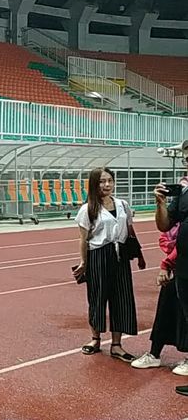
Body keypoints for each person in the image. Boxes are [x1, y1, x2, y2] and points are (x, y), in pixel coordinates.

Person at [74, 167, 143, 362]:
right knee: (97, 296)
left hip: (120, 254)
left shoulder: (122, 204)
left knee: (121, 297)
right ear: (94, 184)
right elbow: (83, 239)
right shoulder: (88, 208)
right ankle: (95, 339)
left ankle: (117, 345)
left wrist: (139, 254)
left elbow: (130, 229)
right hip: (98, 255)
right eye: (102, 181)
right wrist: (83, 262)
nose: (107, 185)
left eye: (110, 181)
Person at [131, 220, 188, 374]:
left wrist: (166, 264)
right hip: (177, 267)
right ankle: (154, 354)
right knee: (165, 310)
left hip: (182, 267)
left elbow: (183, 243)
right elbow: (165, 236)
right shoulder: (178, 209)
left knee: (185, 315)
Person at [155, 139, 188, 395]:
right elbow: (165, 226)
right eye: (185, 157)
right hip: (184, 264)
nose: (186, 161)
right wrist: (160, 203)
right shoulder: (185, 190)